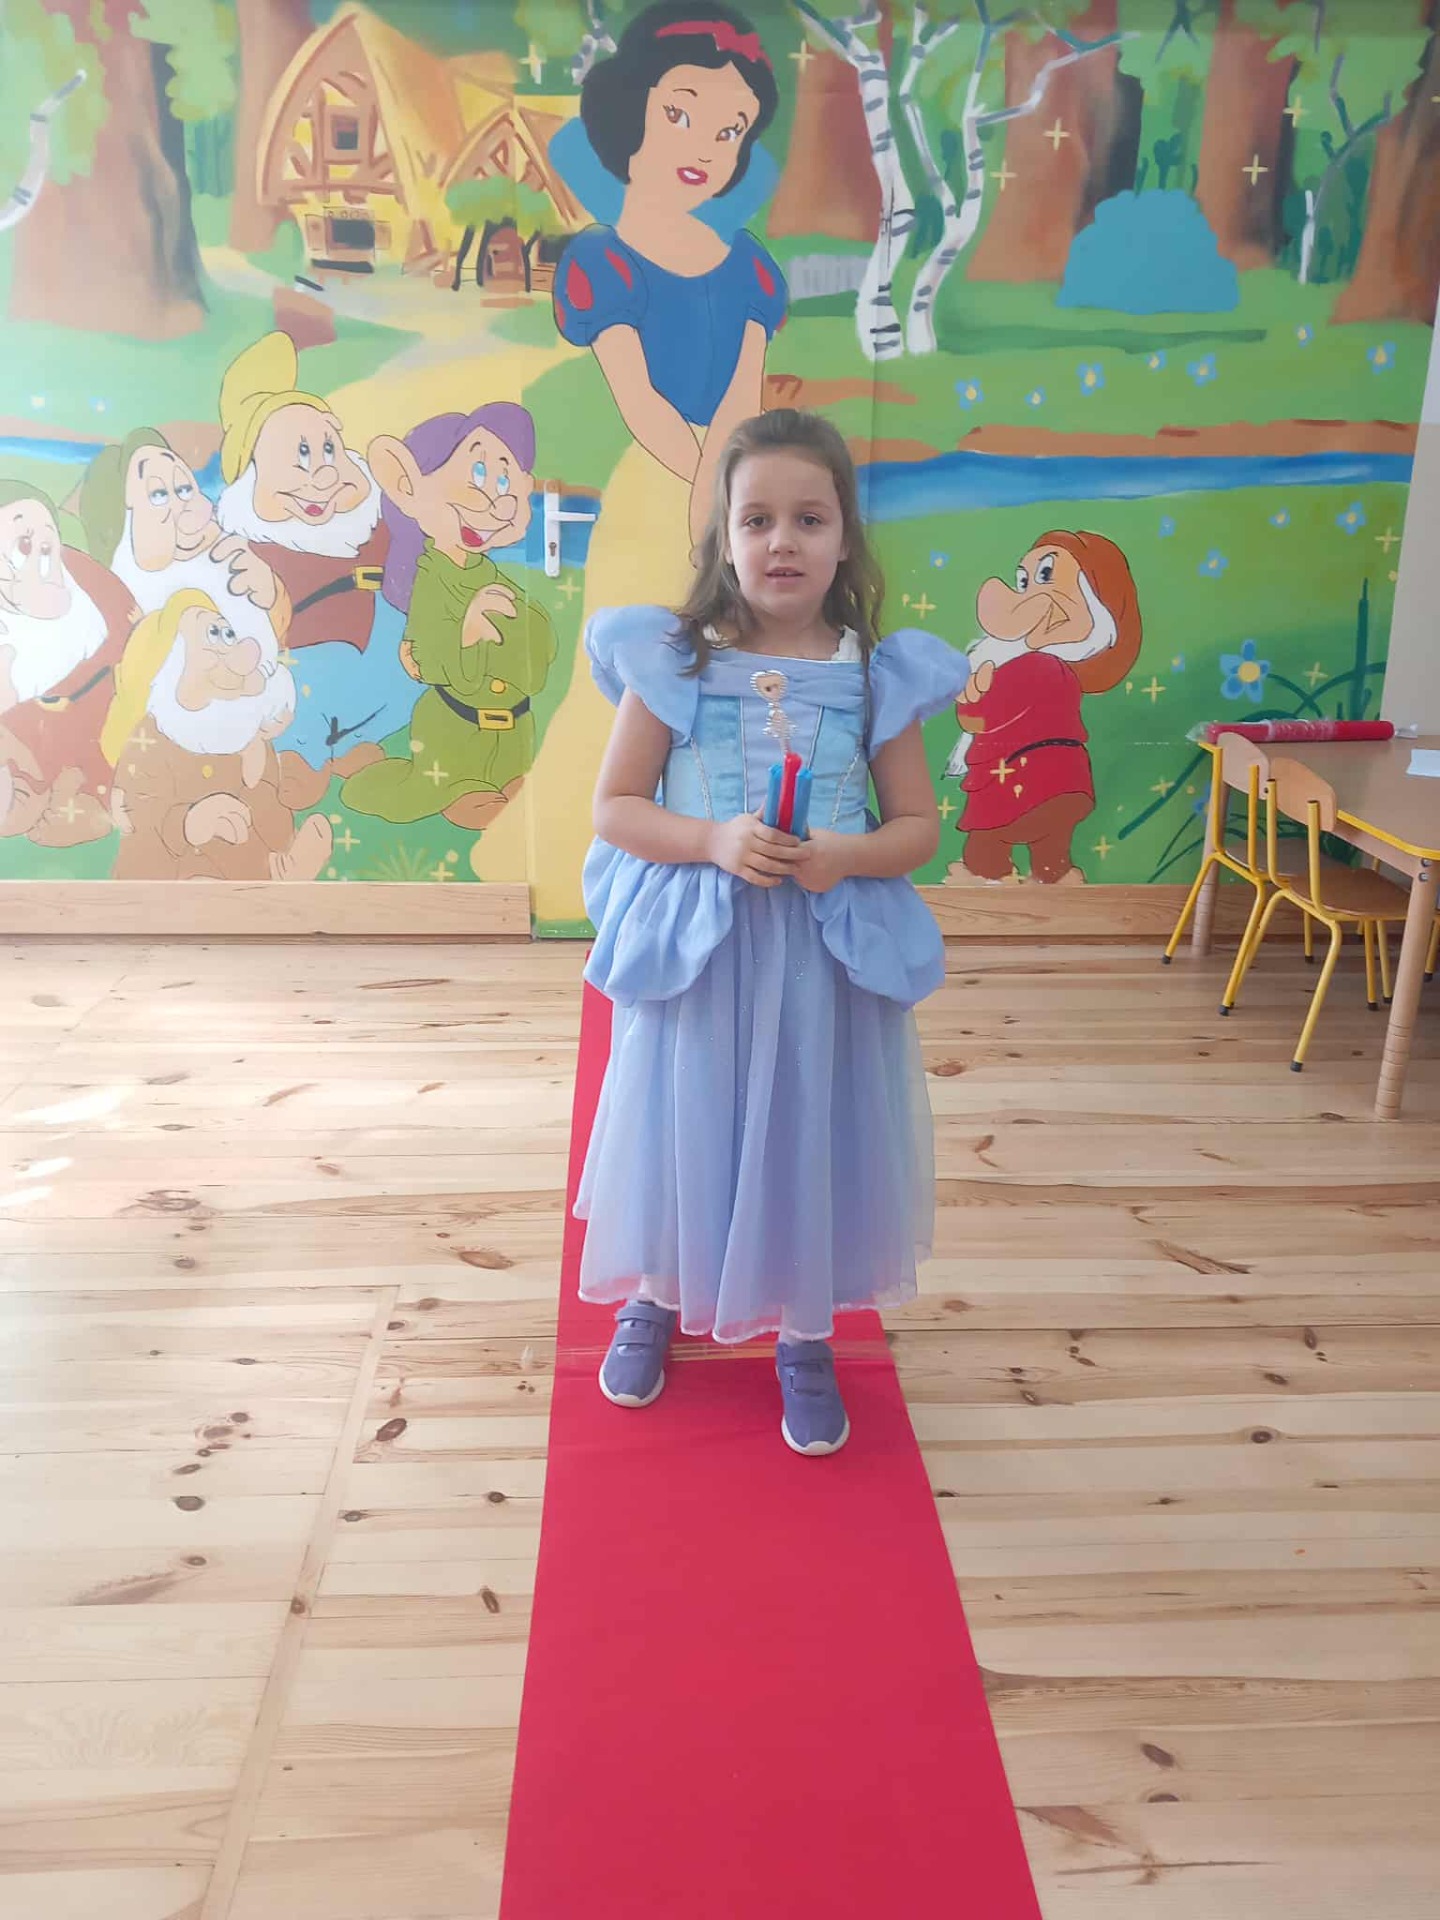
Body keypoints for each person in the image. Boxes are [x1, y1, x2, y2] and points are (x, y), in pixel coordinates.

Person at [575, 410, 967, 1455]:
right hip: (702, 952)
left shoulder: (877, 676)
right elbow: (616, 808)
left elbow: (918, 828)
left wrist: (845, 854)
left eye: (808, 518)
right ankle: (656, 1294)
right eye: (757, 520)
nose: (782, 541)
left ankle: (803, 1331)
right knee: (684, 1120)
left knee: (807, 1128)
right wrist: (711, 839)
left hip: (819, 958)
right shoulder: (675, 660)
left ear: (844, 539)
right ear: (725, 537)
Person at [474, 1, 786, 923]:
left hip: (735, 490)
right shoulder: (599, 262)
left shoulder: (749, 266)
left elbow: (744, 399)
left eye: (730, 130)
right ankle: (597, 882)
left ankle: (717, 869)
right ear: (631, 112)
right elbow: (640, 399)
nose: (705, 146)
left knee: (726, 679)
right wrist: (698, 490)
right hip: (656, 487)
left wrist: (727, 502)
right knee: (632, 682)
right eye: (682, 112)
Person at [341, 404, 557, 831]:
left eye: (505, 481)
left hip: (513, 729)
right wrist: (470, 633)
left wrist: (516, 636)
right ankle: (450, 791)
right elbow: (432, 660)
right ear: (407, 485)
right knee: (460, 794)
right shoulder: (429, 583)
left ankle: (500, 785)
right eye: (478, 473)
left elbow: (538, 645)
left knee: (520, 789)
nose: (496, 500)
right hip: (456, 727)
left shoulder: (490, 575)